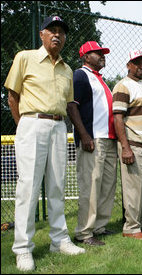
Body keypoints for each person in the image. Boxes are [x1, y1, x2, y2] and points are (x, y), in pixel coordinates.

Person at [4, 15, 85, 271]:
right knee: (28, 187)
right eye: (52, 30)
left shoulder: (67, 69)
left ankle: (59, 240)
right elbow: (12, 96)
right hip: (32, 122)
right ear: (41, 34)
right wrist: (23, 126)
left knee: (57, 185)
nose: (57, 35)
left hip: (59, 126)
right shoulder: (25, 57)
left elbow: (69, 103)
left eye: (61, 31)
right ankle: (23, 249)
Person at [67, 41, 117, 246]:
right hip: (93, 138)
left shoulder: (101, 80)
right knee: (91, 185)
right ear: (86, 57)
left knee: (107, 185)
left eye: (103, 53)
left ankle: (99, 227)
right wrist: (84, 135)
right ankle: (84, 233)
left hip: (108, 138)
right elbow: (71, 106)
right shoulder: (81, 75)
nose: (102, 56)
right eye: (97, 53)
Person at [112, 49, 142, 240]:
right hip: (134, 145)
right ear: (128, 65)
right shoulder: (123, 86)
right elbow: (118, 118)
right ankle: (131, 229)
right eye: (137, 62)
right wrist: (125, 147)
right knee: (133, 191)